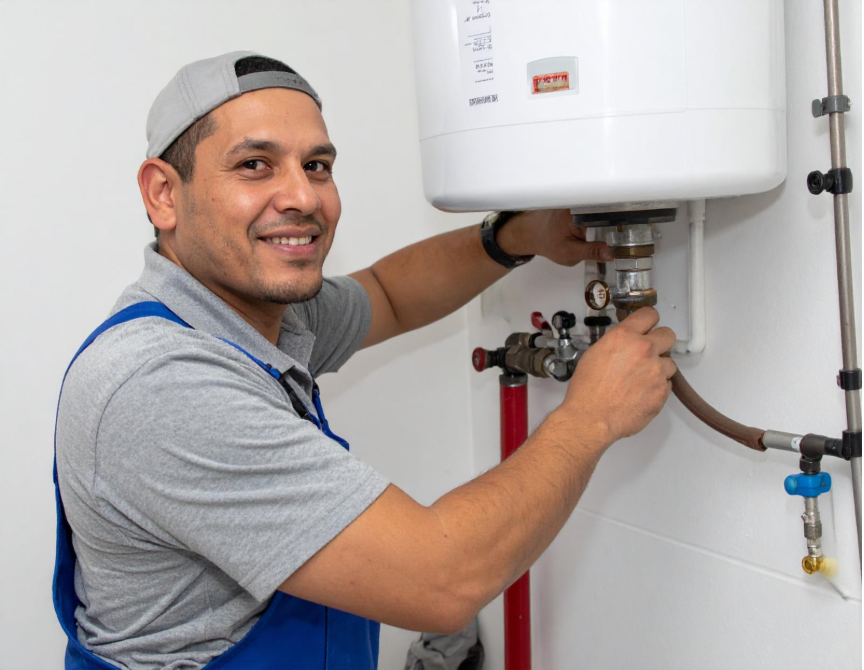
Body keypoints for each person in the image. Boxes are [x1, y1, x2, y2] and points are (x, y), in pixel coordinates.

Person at [53, 52, 677, 670]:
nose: (302, 195)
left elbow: (388, 294)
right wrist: (591, 418)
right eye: (254, 165)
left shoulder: (248, 315)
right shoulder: (165, 387)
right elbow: (442, 580)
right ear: (164, 193)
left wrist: (515, 235)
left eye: (317, 165)